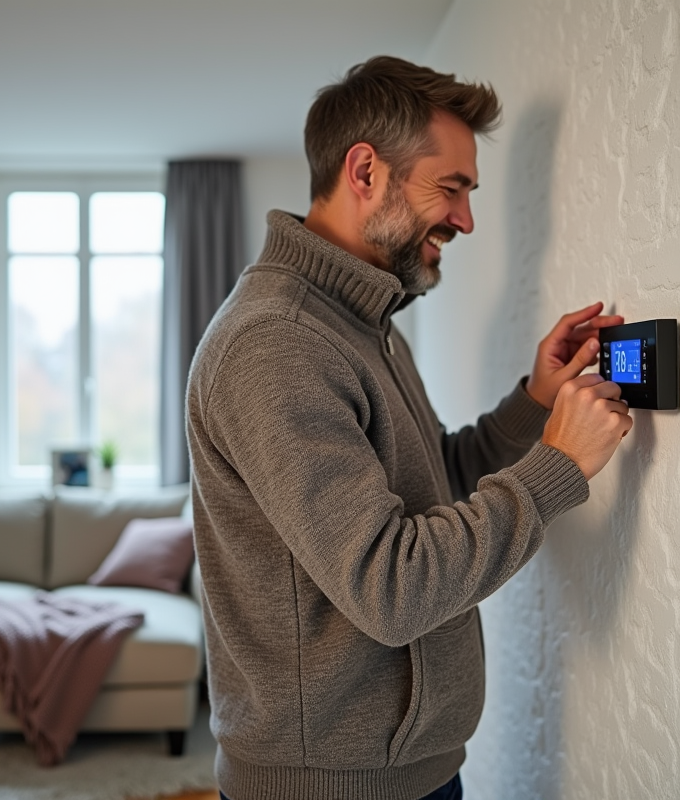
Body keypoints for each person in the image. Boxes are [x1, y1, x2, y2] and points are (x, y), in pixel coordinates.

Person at [185, 56, 633, 800]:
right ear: (365, 171)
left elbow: (433, 485)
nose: (466, 220)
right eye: (450, 188)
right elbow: (391, 586)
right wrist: (559, 465)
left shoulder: (365, 322)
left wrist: (535, 403)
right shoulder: (277, 343)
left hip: (407, 773)